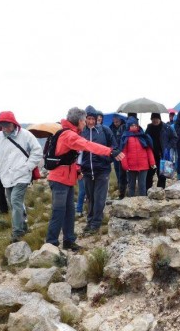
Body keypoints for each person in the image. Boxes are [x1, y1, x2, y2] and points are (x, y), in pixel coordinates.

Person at [46, 107, 124, 250]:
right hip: (59, 180)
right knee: (58, 211)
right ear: (80, 121)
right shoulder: (69, 135)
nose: (85, 123)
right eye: (84, 120)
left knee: (69, 211)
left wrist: (76, 170)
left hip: (67, 179)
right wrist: (109, 151)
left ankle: (69, 241)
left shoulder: (70, 133)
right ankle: (51, 244)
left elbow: (69, 157)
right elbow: (87, 145)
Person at [0, 111, 43, 242]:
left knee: (15, 201)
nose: (5, 128)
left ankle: (17, 232)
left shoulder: (26, 135)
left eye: (7, 125)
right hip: (6, 176)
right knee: (15, 204)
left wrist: (27, 167)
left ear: (14, 123)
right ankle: (24, 226)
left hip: (22, 175)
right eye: (2, 125)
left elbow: (37, 151)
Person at [80, 106, 118, 234]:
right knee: (90, 198)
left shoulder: (105, 131)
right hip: (86, 170)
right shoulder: (81, 132)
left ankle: (96, 223)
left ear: (97, 119)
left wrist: (107, 161)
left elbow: (114, 148)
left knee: (99, 198)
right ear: (85, 119)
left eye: (93, 119)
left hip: (102, 170)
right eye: (88, 119)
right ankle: (90, 221)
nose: (90, 121)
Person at [120, 117, 155, 196]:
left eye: (136, 125)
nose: (134, 127)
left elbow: (149, 150)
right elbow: (123, 152)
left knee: (142, 185)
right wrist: (124, 165)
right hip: (131, 166)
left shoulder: (143, 137)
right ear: (128, 126)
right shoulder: (125, 138)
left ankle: (143, 204)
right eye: (132, 125)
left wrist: (152, 162)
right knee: (131, 186)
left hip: (143, 165)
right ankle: (131, 204)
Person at [145, 112, 178, 190]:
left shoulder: (167, 127)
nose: (155, 121)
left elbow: (175, 138)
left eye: (156, 119)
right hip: (151, 156)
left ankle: (160, 191)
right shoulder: (149, 127)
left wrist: (168, 147)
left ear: (160, 119)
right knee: (149, 175)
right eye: (153, 119)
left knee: (162, 176)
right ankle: (147, 192)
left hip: (162, 155)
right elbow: (145, 138)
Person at [110, 115, 127, 199]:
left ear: (120, 120)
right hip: (115, 153)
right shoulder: (110, 128)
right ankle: (120, 188)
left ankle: (123, 189)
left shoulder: (124, 127)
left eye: (117, 121)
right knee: (117, 171)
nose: (116, 123)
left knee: (123, 172)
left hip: (123, 153)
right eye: (114, 122)